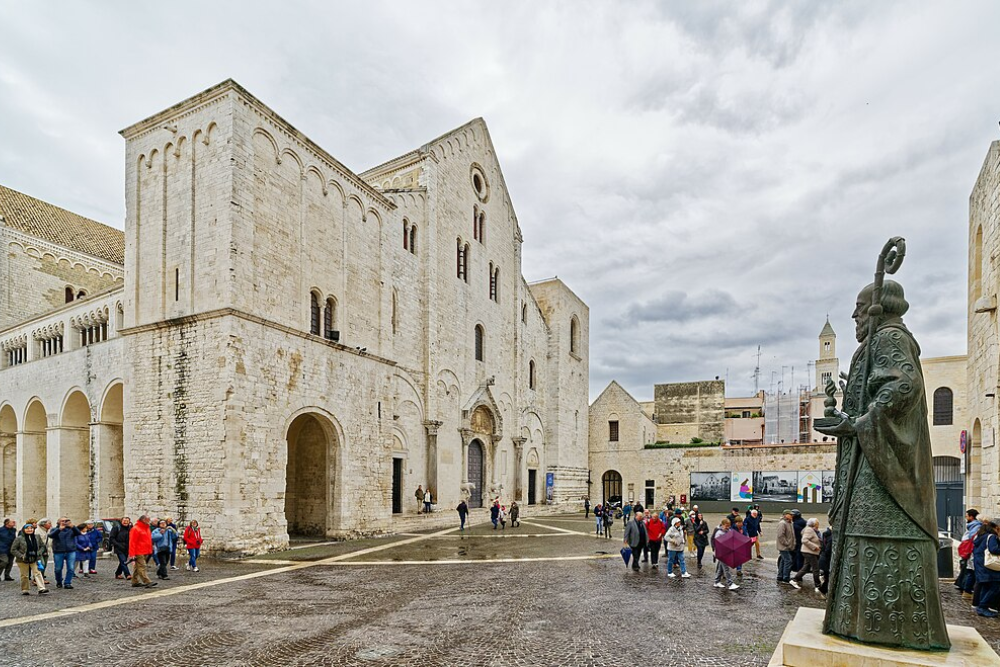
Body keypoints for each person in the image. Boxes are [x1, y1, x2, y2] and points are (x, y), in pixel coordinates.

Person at [815, 279, 949, 648]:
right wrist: (847, 415)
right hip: (871, 463)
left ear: (876, 309)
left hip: (882, 473)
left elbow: (901, 387)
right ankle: (860, 622)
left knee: (871, 537)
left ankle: (874, 626)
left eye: (859, 308)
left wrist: (858, 422)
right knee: (860, 537)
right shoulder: (878, 343)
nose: (855, 317)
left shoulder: (888, 339)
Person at [972, 520, 1000, 617]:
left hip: (981, 565)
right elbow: (993, 549)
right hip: (988, 566)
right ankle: (983, 606)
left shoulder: (979, 537)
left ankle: (982, 607)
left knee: (986, 586)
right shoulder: (991, 537)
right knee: (996, 586)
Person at [10, 523, 47, 595]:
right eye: (27, 528)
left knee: (37, 573)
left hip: (35, 558)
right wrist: (21, 556)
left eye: (31, 528)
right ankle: (25, 589)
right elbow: (13, 549)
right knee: (24, 575)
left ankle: (41, 588)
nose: (30, 530)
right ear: (24, 530)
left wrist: (39, 553)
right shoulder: (19, 538)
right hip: (23, 559)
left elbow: (43, 546)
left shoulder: (37, 537)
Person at [48, 517, 81, 589]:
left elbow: (79, 533)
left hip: (70, 550)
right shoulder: (55, 529)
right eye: (62, 521)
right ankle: (59, 581)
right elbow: (50, 535)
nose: (64, 522)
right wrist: (59, 529)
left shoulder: (71, 530)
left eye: (66, 521)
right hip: (58, 551)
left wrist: (73, 527)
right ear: (58, 522)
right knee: (58, 568)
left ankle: (67, 582)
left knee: (71, 568)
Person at [793, 518, 823, 592]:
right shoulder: (809, 530)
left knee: (806, 567)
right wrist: (814, 547)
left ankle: (795, 579)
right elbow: (804, 540)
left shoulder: (811, 530)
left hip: (808, 552)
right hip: (810, 552)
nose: (818, 524)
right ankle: (817, 585)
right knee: (815, 568)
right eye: (817, 523)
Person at [957, 509, 982, 600]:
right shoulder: (975, 527)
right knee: (971, 573)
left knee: (969, 572)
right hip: (972, 553)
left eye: (967, 516)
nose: (965, 518)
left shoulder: (973, 526)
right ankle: (967, 590)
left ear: (971, 516)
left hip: (970, 552)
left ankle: (966, 590)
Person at [128, 515, 156, 588]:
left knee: (137, 567)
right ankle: (147, 581)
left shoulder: (146, 528)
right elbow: (132, 542)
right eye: (148, 519)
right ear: (143, 520)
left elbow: (148, 540)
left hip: (145, 550)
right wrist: (132, 553)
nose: (149, 521)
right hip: (138, 551)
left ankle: (134, 581)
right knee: (142, 566)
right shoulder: (136, 529)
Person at [711, 518, 738, 590]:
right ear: (722, 525)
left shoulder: (728, 531)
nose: (728, 527)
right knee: (726, 569)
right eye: (726, 526)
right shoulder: (719, 533)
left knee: (721, 568)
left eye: (729, 526)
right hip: (721, 553)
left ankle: (716, 582)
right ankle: (730, 583)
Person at [776, 510, 796, 586]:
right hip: (783, 547)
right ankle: (785, 577)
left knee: (783, 561)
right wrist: (787, 543)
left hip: (787, 546)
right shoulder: (782, 523)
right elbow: (780, 535)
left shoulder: (789, 523)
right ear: (785, 515)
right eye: (790, 514)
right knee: (788, 561)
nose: (792, 516)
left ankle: (780, 576)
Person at [817, 523, 833, 597]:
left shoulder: (825, 534)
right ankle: (823, 590)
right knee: (828, 577)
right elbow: (828, 550)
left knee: (827, 577)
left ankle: (824, 591)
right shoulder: (831, 538)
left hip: (823, 559)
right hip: (826, 560)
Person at [35, 518, 52, 585]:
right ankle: (36, 579)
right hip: (39, 551)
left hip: (47, 550)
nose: (51, 524)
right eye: (49, 523)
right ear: (44, 524)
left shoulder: (49, 531)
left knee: (44, 565)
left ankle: (41, 578)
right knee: (41, 564)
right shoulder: (37, 531)